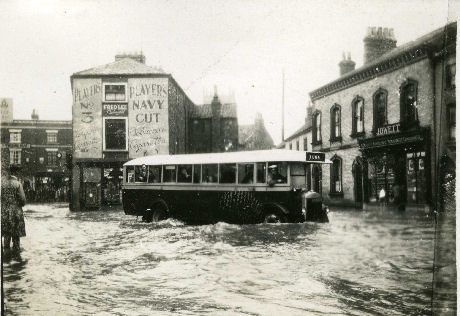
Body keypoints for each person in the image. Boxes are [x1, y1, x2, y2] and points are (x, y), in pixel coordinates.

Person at [1, 164, 26, 253]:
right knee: (16, 237)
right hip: (16, 213)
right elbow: (23, 200)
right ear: (16, 172)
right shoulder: (18, 184)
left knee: (6, 236)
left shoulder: (2, 184)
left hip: (4, 212)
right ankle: (16, 259)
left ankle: (6, 257)